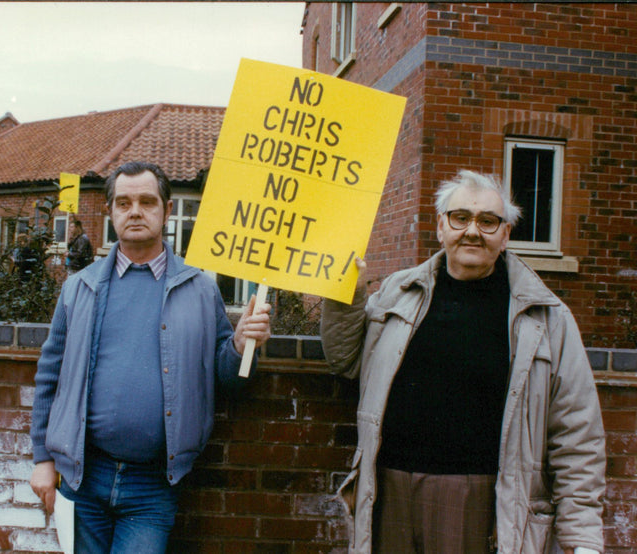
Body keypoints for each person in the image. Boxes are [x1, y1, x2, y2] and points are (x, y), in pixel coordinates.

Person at [320, 170, 605, 554]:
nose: (473, 231)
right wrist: (344, 293)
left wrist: (582, 539)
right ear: (441, 227)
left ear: (505, 235)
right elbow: (344, 360)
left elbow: (578, 435)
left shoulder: (546, 317)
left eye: (488, 221)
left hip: (481, 503)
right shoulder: (396, 294)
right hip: (389, 494)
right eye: (460, 218)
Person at [30, 161, 272, 553]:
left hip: (153, 484)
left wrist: (242, 347)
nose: (135, 211)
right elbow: (49, 377)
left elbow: (229, 379)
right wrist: (43, 458)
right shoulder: (79, 288)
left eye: (147, 201)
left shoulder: (199, 290)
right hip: (82, 476)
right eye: (123, 202)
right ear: (110, 211)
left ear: (167, 210)